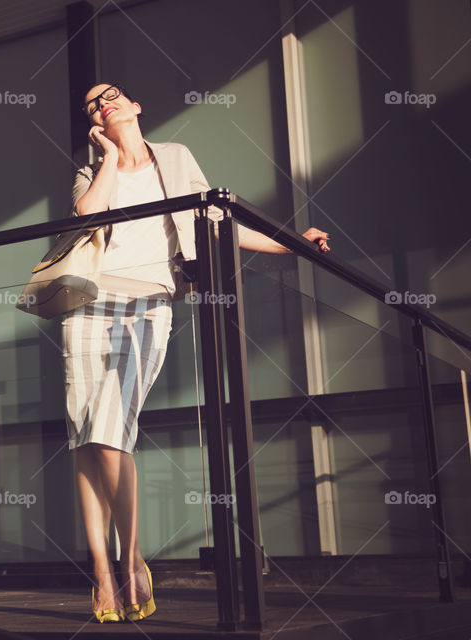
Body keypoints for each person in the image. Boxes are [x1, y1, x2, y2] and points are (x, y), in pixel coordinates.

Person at [63, 82, 330, 623]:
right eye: (93, 103)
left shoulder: (176, 159)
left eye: (111, 95)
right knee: (87, 438)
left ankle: (131, 555)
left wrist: (285, 243)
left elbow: (216, 219)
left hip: (149, 303)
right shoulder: (92, 170)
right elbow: (87, 216)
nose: (103, 103)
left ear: (136, 105)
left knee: (113, 428)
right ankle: (100, 569)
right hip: (89, 304)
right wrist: (110, 156)